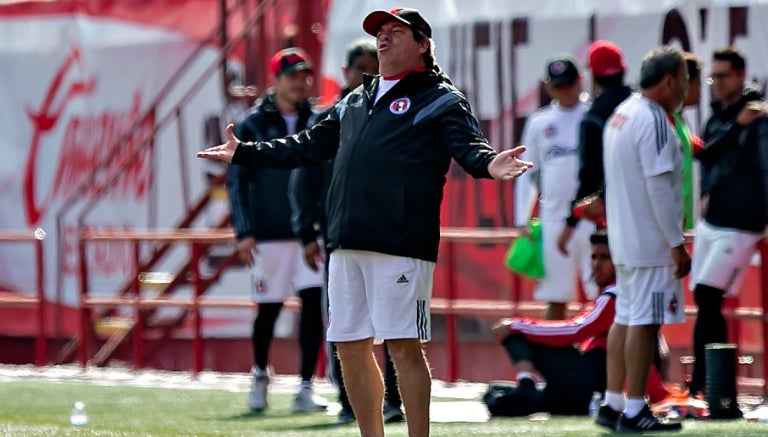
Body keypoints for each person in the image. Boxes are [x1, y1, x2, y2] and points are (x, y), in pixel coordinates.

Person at [198, 7, 532, 437]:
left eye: (396, 31)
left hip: (400, 242)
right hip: (344, 242)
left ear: (423, 45)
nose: (384, 37)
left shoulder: (440, 98)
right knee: (349, 347)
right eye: (380, 31)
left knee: (403, 347)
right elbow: (305, 146)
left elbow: (469, 147)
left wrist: (489, 164)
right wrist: (245, 151)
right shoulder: (354, 99)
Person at [287, 38, 404, 424]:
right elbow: (302, 179)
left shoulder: (395, 115)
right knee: (347, 323)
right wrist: (307, 233)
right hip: (338, 238)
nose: (368, 75)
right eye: (361, 68)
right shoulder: (327, 117)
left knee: (394, 323)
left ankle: (391, 401)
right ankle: (348, 399)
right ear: (345, 72)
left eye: (375, 66)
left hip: (387, 235)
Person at [226, 47, 327, 414]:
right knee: (268, 308)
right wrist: (244, 230)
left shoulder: (318, 119)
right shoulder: (253, 124)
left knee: (313, 306)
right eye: (293, 75)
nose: (301, 82)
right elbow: (237, 180)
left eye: (305, 75)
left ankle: (305, 386)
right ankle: (259, 376)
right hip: (268, 234)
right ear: (276, 79)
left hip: (309, 235)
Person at [597, 46, 690, 432]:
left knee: (626, 318)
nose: (686, 87)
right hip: (649, 243)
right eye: (684, 79)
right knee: (645, 323)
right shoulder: (652, 119)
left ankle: (612, 402)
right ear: (669, 80)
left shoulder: (622, 114)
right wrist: (676, 243)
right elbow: (659, 190)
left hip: (625, 238)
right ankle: (635, 409)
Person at [487, 232, 672, 416]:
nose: (596, 265)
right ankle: (526, 386)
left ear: (620, 263)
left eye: (605, 258)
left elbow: (577, 330)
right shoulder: (626, 293)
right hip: (587, 387)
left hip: (584, 383)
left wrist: (517, 325)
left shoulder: (616, 296)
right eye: (594, 257)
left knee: (516, 332)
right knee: (496, 398)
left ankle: (526, 384)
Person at [688, 47, 768, 400]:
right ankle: (705, 384)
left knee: (708, 294)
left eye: (722, 76)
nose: (716, 84)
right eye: (712, 77)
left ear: (740, 75)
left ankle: (712, 385)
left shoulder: (759, 116)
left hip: (741, 223)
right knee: (703, 298)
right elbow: (705, 154)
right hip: (712, 219)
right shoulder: (721, 114)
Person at [514, 55, 596, 320]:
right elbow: (526, 172)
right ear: (548, 86)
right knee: (555, 297)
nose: (566, 91)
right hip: (554, 219)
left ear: (580, 81)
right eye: (559, 86)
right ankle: (556, 360)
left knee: (604, 294)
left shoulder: (593, 115)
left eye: (570, 84)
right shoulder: (539, 123)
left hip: (593, 219)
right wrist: (522, 216)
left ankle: (603, 358)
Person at [557, 40, 632, 253]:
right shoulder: (643, 106)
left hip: (611, 214)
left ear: (593, 76)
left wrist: (571, 224)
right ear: (623, 69)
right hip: (648, 214)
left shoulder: (594, 117)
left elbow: (588, 176)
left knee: (612, 280)